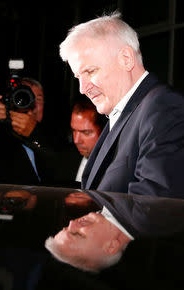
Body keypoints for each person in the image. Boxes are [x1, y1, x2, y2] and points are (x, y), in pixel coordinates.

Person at [59, 11, 184, 198]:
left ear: (126, 59)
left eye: (90, 71)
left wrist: (95, 227)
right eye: (78, 77)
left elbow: (155, 205)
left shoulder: (163, 106)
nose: (82, 89)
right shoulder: (126, 111)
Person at [44, 190, 184, 273]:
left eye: (66, 228)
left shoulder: (99, 197)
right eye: (77, 234)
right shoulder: (145, 214)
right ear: (111, 246)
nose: (72, 223)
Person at [0, 77, 56, 186]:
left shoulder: (56, 138)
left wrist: (34, 134)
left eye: (38, 99)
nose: (32, 104)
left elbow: (61, 169)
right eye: (25, 97)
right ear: (11, 101)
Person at [70, 97, 106, 183]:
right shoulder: (63, 160)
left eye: (86, 133)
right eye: (74, 131)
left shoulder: (115, 169)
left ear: (103, 132)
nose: (76, 140)